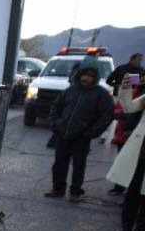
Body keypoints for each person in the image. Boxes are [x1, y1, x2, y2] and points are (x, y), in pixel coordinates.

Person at [44, 56, 114, 202]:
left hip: (81, 137)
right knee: (59, 164)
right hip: (63, 134)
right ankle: (58, 189)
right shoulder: (70, 91)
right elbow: (56, 108)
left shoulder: (101, 95)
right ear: (79, 74)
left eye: (90, 76)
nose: (86, 78)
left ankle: (75, 192)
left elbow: (106, 116)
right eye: (84, 75)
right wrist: (55, 124)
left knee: (78, 166)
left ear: (95, 77)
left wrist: (90, 133)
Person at [106, 74, 145, 231]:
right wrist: (126, 87)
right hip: (140, 152)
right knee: (132, 193)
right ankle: (126, 229)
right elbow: (128, 107)